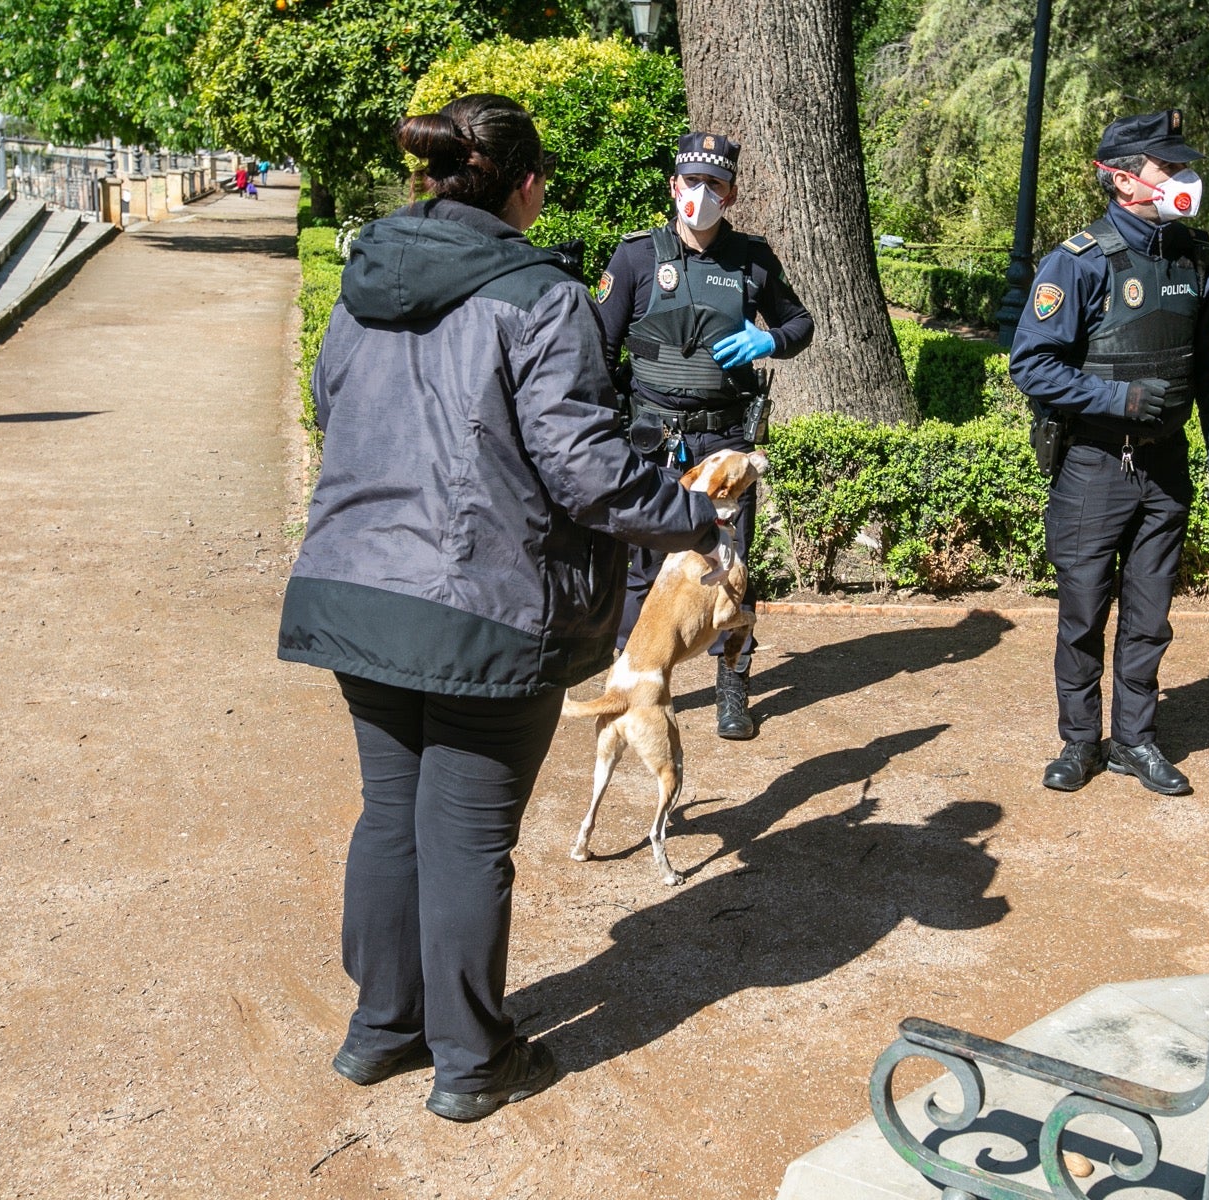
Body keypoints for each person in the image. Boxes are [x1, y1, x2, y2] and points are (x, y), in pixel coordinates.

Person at [277, 94, 722, 1122]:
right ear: (524, 186)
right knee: (466, 836)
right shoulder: (541, 296)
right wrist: (691, 514)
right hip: (483, 604)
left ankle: (381, 1030)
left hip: (357, 586)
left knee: (393, 816)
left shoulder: (362, 280)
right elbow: (584, 469)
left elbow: (333, 402)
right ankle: (471, 1060)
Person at [1008, 109, 1209, 798]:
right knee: (1083, 613)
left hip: (1165, 467)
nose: (1186, 179)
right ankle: (1080, 742)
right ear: (1122, 178)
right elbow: (1032, 364)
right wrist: (1120, 399)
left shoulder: (1197, 256)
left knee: (1149, 615)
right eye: (1171, 167)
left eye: (1184, 167)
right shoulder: (1078, 261)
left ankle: (1134, 741)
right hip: (1094, 465)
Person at [592, 131, 814, 740]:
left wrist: (770, 339)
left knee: (728, 568)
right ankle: (628, 684)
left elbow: (800, 323)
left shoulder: (752, 260)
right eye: (692, 181)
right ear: (674, 186)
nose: (702, 194)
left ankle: (732, 687)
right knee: (641, 569)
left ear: (731, 193)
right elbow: (599, 351)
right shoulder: (636, 258)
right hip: (651, 440)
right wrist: (606, 432)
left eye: (714, 184)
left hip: (723, 445)